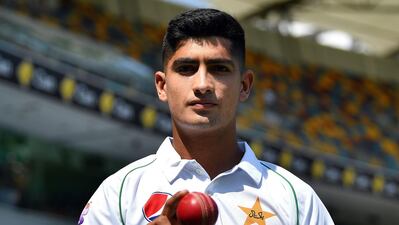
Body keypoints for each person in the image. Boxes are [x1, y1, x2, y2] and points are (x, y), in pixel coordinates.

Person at [78, 8, 334, 225]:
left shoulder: (297, 200)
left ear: (244, 85)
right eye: (187, 68)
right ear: (162, 86)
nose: (202, 84)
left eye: (219, 69)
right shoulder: (119, 194)